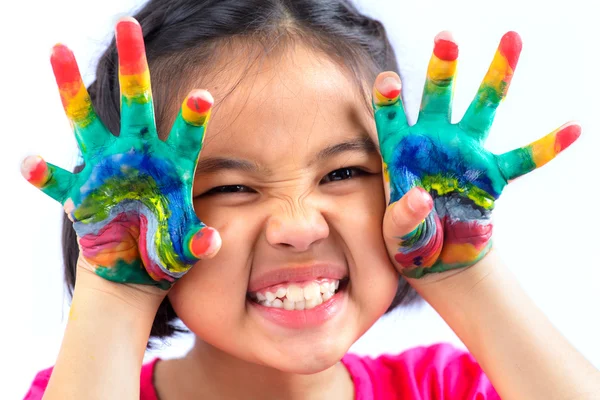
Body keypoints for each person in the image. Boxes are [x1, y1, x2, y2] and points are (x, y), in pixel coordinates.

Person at [21, 0, 600, 398]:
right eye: (230, 187)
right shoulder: (79, 385)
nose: (298, 227)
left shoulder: (449, 389)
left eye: (344, 172)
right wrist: (119, 288)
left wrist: (466, 275)